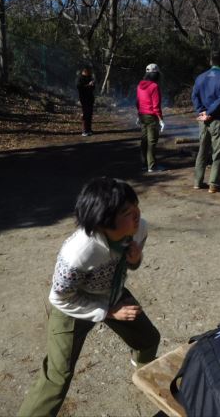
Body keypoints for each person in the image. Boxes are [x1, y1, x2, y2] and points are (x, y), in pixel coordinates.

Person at [18, 177, 160, 417]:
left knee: (148, 339)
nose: (136, 214)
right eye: (126, 212)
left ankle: (144, 378)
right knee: (58, 376)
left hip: (111, 293)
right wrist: (108, 312)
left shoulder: (139, 228)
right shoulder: (78, 254)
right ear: (102, 222)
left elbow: (129, 267)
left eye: (135, 205)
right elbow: (60, 298)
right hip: (73, 305)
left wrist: (135, 259)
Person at [191, 49, 220, 193]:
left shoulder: (200, 77)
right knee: (218, 152)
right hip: (218, 119)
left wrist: (201, 111)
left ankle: (197, 181)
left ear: (210, 61)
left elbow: (195, 95)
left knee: (202, 150)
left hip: (203, 119)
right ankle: (214, 184)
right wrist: (209, 113)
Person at [137, 63, 165, 172]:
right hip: (151, 117)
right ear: (156, 74)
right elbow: (156, 106)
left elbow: (137, 102)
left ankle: (144, 164)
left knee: (144, 141)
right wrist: (161, 120)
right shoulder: (154, 86)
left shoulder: (140, 85)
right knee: (152, 142)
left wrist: (138, 115)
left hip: (142, 115)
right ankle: (152, 166)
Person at [76, 65, 96, 136]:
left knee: (90, 114)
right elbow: (80, 88)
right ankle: (84, 131)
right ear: (84, 71)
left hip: (90, 98)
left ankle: (89, 129)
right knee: (85, 114)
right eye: (88, 71)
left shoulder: (90, 77)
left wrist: (92, 85)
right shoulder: (80, 78)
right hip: (83, 99)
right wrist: (88, 85)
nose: (90, 72)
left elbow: (93, 88)